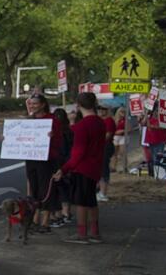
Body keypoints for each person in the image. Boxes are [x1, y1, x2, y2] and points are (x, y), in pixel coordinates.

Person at [53, 91, 107, 244]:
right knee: (91, 201)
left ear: (78, 105)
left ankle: (82, 233)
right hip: (95, 166)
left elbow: (78, 153)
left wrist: (64, 169)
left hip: (82, 168)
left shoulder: (82, 126)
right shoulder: (100, 122)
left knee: (81, 202)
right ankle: (95, 232)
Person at [23, 95, 59, 234]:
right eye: (30, 104)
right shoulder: (29, 120)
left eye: (35, 104)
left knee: (45, 189)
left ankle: (45, 221)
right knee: (33, 189)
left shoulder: (52, 120)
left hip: (46, 158)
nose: (32, 106)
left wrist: (52, 135)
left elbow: (59, 140)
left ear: (43, 105)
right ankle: (35, 219)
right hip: (31, 158)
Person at [51, 108, 73, 226]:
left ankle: (61, 214)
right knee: (64, 189)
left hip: (59, 162)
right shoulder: (69, 131)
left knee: (58, 189)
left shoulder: (61, 133)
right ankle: (66, 213)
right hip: (66, 163)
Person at [97, 106, 116, 201]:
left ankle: (103, 193)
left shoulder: (109, 120)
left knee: (103, 169)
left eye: (103, 109)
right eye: (99, 109)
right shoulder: (100, 120)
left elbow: (108, 135)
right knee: (100, 169)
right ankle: (100, 191)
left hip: (106, 146)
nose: (101, 111)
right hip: (101, 147)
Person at [111, 107, 128, 173]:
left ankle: (124, 167)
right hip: (115, 137)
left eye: (124, 112)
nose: (122, 114)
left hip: (123, 137)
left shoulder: (125, 120)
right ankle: (113, 167)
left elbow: (129, 129)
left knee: (122, 152)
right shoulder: (114, 119)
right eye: (121, 112)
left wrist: (123, 130)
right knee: (114, 153)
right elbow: (111, 129)